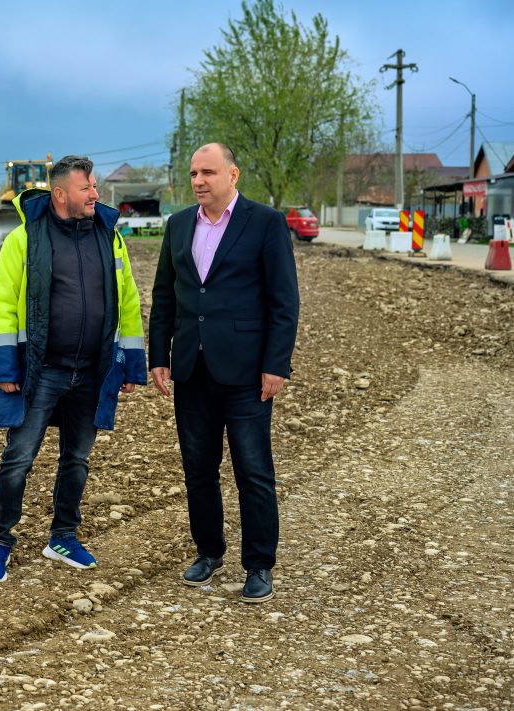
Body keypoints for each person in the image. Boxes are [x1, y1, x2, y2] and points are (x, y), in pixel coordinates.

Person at [0, 155, 148, 583]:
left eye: (94, 186)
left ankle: (63, 536)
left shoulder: (110, 237)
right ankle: (0, 541)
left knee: (77, 458)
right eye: (85, 187)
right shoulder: (24, 239)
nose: (95, 194)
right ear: (60, 194)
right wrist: (5, 368)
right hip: (41, 371)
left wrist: (130, 364)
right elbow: (2, 304)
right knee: (19, 458)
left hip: (92, 371)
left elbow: (128, 300)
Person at [148, 143, 299, 603]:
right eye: (194, 173)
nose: (198, 181)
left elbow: (284, 300)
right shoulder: (178, 225)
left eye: (208, 172)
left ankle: (259, 564)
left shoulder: (265, 222)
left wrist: (276, 364)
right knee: (198, 469)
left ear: (232, 175)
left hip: (247, 373)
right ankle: (209, 551)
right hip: (192, 369)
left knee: (253, 471)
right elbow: (165, 296)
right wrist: (158, 356)